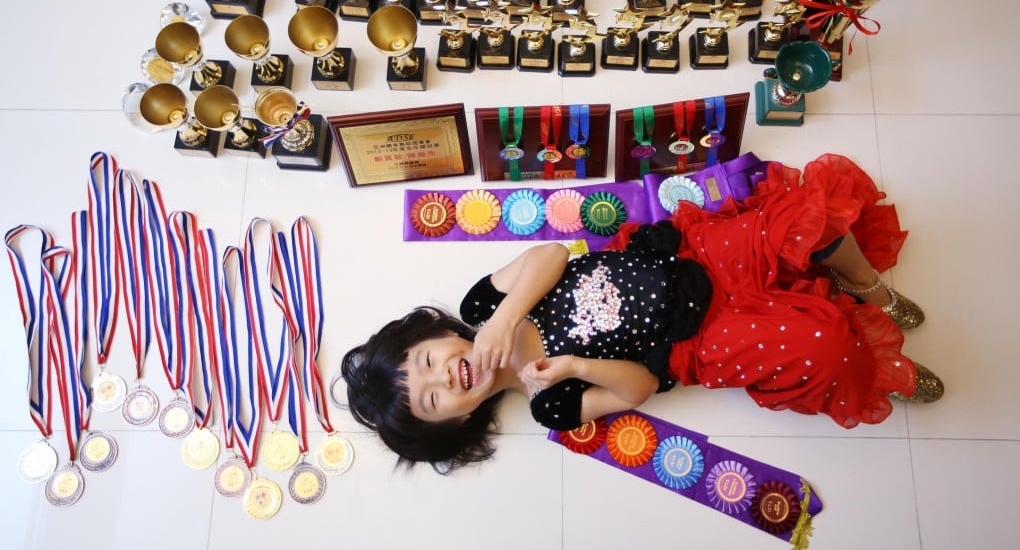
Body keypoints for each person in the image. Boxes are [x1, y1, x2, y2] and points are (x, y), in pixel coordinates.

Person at [339, 154, 944, 473]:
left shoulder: (484, 305)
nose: (444, 377)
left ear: (441, 333)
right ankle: (877, 365)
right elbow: (641, 388)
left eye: (427, 362)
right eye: (432, 399)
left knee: (808, 219)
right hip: (700, 341)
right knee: (822, 347)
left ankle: (864, 285)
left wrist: (505, 319)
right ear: (459, 420)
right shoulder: (550, 404)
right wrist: (575, 366)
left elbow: (551, 255)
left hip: (693, 259)